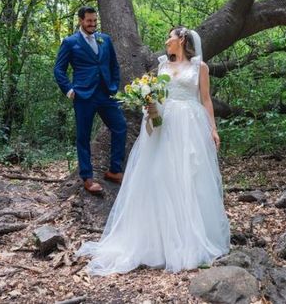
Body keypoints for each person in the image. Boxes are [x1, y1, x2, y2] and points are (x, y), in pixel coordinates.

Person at [76, 26, 230, 275]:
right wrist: (150, 107)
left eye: (170, 37)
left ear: (181, 39)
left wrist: (212, 129)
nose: (166, 41)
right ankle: (158, 241)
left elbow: (206, 100)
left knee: (190, 177)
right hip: (166, 125)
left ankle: (191, 240)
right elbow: (159, 97)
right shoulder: (163, 66)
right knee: (161, 176)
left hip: (190, 125)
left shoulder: (200, 67)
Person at [53, 6, 127, 195]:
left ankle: (114, 170)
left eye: (95, 21)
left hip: (106, 94)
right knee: (83, 137)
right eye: (89, 21)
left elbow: (113, 65)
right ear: (81, 20)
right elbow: (58, 69)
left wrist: (114, 86)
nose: (93, 24)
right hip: (83, 96)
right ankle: (87, 177)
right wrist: (69, 90)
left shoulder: (105, 39)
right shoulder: (70, 42)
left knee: (120, 126)